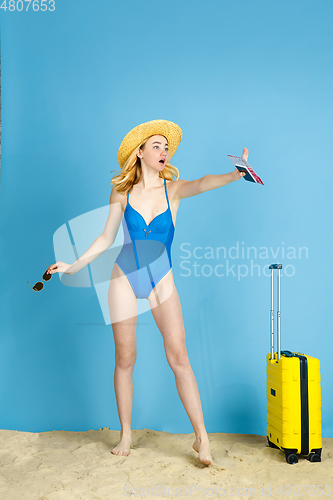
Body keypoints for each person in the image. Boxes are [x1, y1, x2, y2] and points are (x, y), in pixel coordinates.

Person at [47, 119, 248, 466]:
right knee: (125, 359)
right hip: (124, 277)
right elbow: (106, 238)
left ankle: (201, 437)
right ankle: (126, 433)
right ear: (139, 153)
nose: (163, 151)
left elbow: (202, 183)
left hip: (162, 279)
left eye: (166, 147)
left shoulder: (174, 189)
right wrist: (73, 266)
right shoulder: (121, 192)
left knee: (179, 358)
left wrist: (233, 176)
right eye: (156, 146)